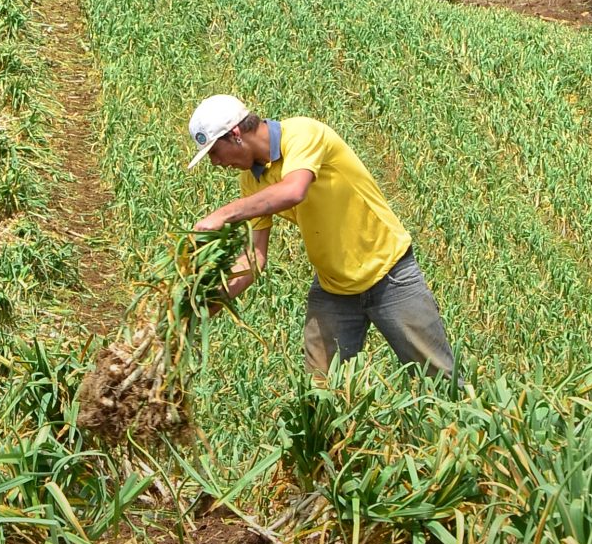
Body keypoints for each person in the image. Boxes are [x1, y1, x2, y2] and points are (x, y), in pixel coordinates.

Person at [187, 93, 455, 380]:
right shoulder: (252, 179)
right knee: (320, 396)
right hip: (333, 290)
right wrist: (198, 307)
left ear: (236, 134)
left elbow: (293, 190)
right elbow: (254, 259)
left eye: (215, 151)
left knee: (440, 381)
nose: (215, 162)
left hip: (390, 277)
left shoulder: (303, 133)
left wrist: (223, 214)